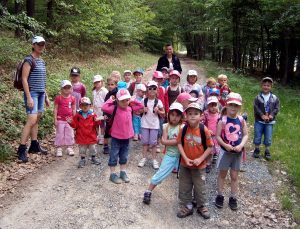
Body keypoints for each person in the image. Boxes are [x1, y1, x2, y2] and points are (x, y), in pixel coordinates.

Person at [176, 102, 213, 219]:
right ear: (185, 116)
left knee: (200, 186)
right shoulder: (184, 129)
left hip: (199, 166)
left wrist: (201, 159)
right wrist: (185, 158)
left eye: (196, 113)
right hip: (184, 164)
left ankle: (202, 205)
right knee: (184, 185)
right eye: (190, 113)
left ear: (201, 116)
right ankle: (187, 206)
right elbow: (179, 143)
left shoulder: (204, 130)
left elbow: (210, 147)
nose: (192, 116)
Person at [143, 102, 184, 204]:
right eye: (172, 115)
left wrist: (175, 141)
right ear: (168, 115)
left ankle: (188, 197)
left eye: (177, 115)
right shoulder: (166, 126)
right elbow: (163, 141)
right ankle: (148, 191)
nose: (174, 118)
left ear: (181, 116)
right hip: (170, 155)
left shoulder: (183, 127)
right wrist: (177, 141)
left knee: (186, 177)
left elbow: (173, 141)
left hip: (182, 156)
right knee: (161, 173)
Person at [17, 36, 50, 163]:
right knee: (31, 120)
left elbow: (42, 80)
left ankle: (34, 145)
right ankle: (21, 149)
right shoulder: (28, 60)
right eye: (38, 44)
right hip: (32, 94)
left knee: (36, 120)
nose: (41, 46)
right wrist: (29, 96)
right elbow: (24, 79)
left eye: (43, 44)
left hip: (41, 93)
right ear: (33, 45)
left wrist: (46, 96)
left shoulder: (41, 61)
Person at [102, 89, 144, 184]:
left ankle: (123, 172)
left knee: (124, 156)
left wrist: (133, 100)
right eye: (122, 100)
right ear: (117, 100)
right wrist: (111, 100)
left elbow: (141, 106)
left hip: (127, 137)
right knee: (114, 155)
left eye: (127, 100)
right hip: (116, 138)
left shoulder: (130, 108)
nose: (125, 102)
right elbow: (104, 107)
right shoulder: (114, 108)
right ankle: (112, 174)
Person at [215, 92, 248, 211]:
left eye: (236, 105)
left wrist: (241, 145)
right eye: (231, 105)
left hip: (237, 153)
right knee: (222, 174)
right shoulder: (222, 120)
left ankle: (233, 197)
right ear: (227, 105)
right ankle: (219, 195)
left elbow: (245, 135)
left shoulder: (241, 120)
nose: (233, 107)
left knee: (234, 176)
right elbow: (218, 136)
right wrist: (225, 145)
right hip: (225, 152)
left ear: (239, 107)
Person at [67, 97, 101, 168]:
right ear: (80, 106)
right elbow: (75, 125)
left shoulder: (93, 115)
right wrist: (71, 123)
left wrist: (98, 120)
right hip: (81, 136)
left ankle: (93, 158)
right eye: (83, 105)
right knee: (82, 149)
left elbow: (96, 125)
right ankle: (82, 159)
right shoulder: (77, 115)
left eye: (86, 105)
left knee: (93, 148)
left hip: (91, 135)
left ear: (90, 106)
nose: (85, 106)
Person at [138, 81, 165, 169]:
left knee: (153, 143)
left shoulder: (158, 101)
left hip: (154, 124)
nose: (152, 90)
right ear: (147, 90)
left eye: (154, 88)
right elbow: (138, 111)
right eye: (150, 88)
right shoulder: (143, 100)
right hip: (145, 123)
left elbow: (163, 113)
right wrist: (143, 110)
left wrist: (158, 111)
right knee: (145, 142)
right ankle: (143, 158)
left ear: (157, 90)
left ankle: (154, 159)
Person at [252, 77, 280, 160]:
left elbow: (277, 108)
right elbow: (256, 107)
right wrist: (261, 115)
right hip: (259, 121)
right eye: (264, 85)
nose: (266, 87)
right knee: (257, 135)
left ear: (271, 87)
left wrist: (272, 114)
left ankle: (267, 150)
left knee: (268, 136)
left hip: (269, 122)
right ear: (261, 86)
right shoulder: (258, 97)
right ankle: (257, 149)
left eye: (268, 85)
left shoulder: (274, 98)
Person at [54, 80, 76, 157]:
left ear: (71, 89)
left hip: (69, 120)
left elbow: (73, 109)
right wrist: (55, 119)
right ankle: (59, 148)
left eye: (68, 88)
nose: (67, 89)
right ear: (61, 89)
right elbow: (56, 109)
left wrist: (74, 119)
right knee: (60, 133)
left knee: (69, 133)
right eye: (65, 88)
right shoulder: (58, 98)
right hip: (60, 119)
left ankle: (69, 147)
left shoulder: (72, 98)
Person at [203, 96, 221, 173]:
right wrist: (206, 130)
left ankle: (215, 158)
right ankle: (208, 163)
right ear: (208, 106)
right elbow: (201, 123)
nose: (213, 107)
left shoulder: (219, 115)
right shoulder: (206, 114)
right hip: (208, 136)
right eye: (211, 105)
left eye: (215, 105)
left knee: (216, 149)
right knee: (209, 150)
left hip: (217, 136)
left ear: (218, 105)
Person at [152, 70, 169, 153]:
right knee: (152, 128)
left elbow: (166, 100)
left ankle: (158, 143)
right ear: (153, 79)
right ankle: (152, 143)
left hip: (161, 112)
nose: (158, 81)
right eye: (156, 79)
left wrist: (166, 111)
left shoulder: (163, 89)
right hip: (151, 113)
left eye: (160, 79)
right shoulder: (150, 88)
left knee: (159, 128)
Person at [102, 76, 118, 154]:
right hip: (109, 116)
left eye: (112, 84)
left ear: (116, 85)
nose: (110, 86)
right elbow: (104, 106)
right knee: (107, 131)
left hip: (117, 116)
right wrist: (104, 115)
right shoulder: (108, 95)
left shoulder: (118, 93)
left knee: (116, 131)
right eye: (109, 84)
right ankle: (105, 145)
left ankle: (116, 146)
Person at [92, 75, 108, 145]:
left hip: (102, 110)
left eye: (98, 82)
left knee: (102, 124)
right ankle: (97, 136)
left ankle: (102, 137)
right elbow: (94, 100)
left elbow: (107, 101)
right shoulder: (94, 91)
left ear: (101, 82)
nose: (97, 83)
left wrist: (106, 111)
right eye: (95, 82)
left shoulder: (104, 91)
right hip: (95, 110)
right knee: (96, 124)